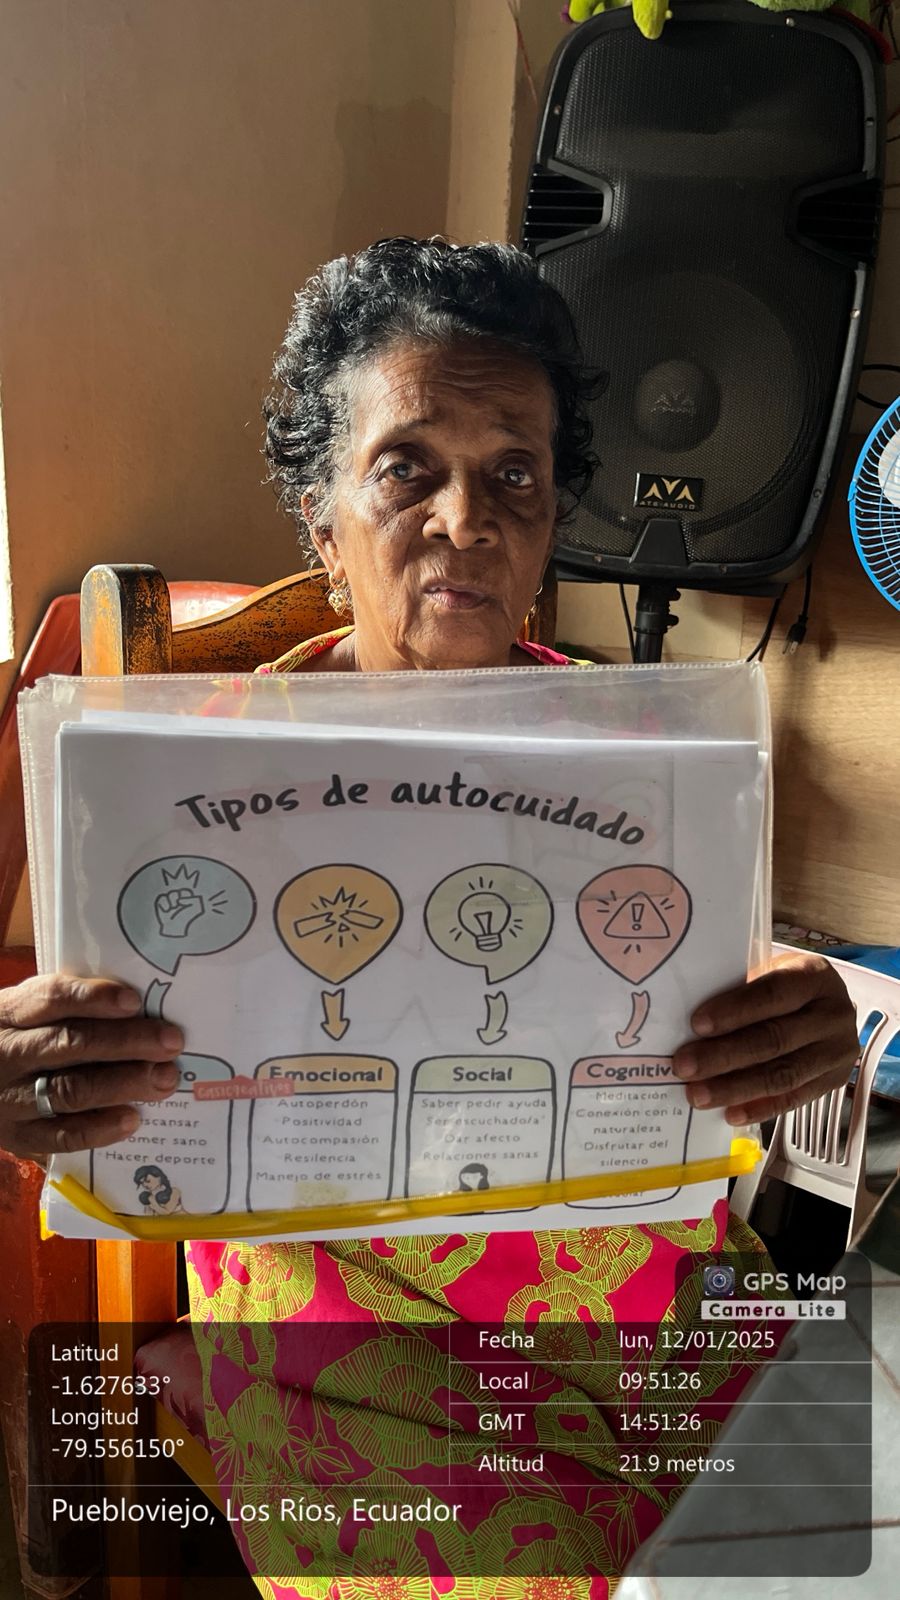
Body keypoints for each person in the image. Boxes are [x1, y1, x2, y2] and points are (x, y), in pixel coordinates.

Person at [0, 239, 860, 1598]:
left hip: (659, 1309)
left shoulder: (643, 757)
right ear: (321, 518)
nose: (469, 519)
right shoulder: (182, 781)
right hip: (352, 1338)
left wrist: (800, 1020)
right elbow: (99, 1070)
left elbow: (703, 1010)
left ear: (552, 517)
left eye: (515, 474)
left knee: (827, 1538)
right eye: (408, 468)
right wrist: (31, 1075)